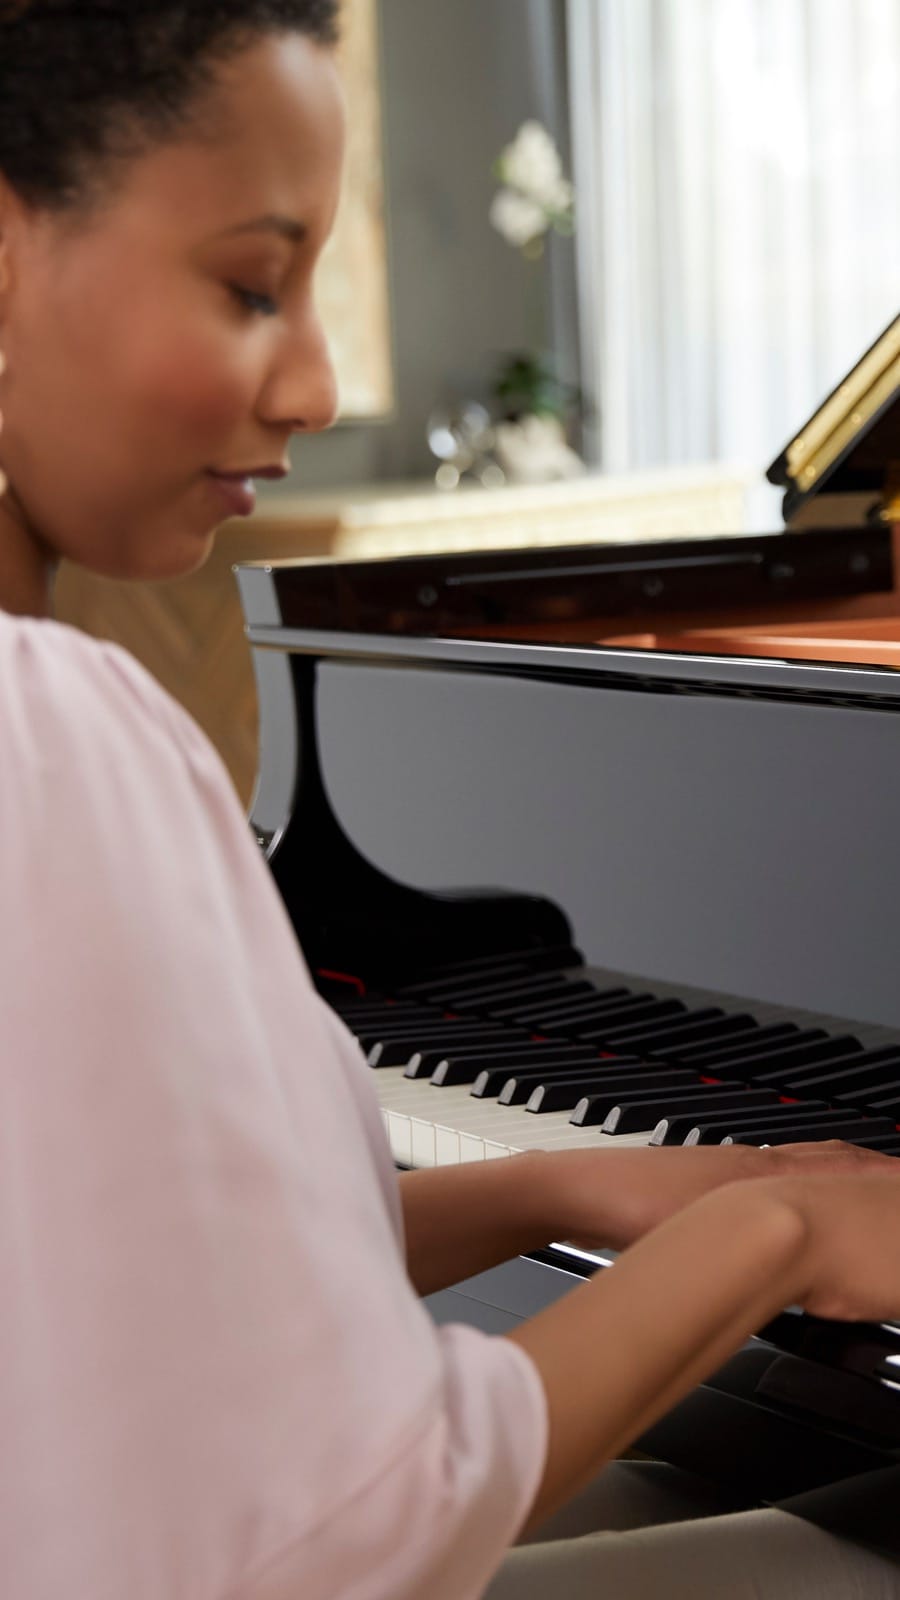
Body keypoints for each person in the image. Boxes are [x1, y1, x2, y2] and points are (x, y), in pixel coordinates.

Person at [0, 5, 899, 1597]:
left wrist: (561, 1180)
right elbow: (346, 1528)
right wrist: (779, 1235)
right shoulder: (58, 737)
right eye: (252, 287)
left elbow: (139, 1289)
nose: (321, 381)